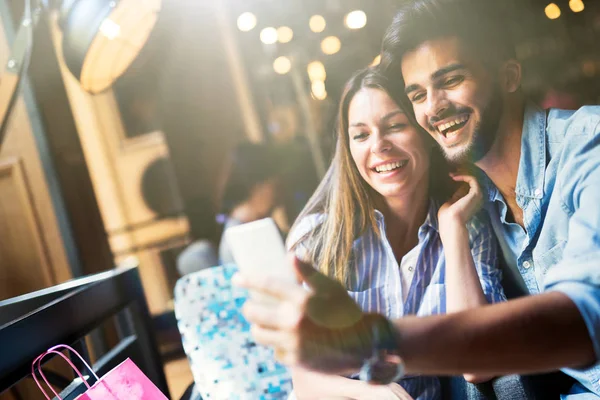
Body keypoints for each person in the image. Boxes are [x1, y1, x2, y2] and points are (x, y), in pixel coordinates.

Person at [234, 0, 600, 399]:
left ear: (508, 75)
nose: (435, 106)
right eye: (418, 94)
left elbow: (583, 319)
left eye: (452, 79)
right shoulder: (484, 202)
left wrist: (373, 342)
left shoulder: (587, 148)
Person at [273, 67, 506, 399]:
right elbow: (305, 379)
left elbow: (478, 363)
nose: (379, 146)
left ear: (426, 131)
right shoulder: (318, 238)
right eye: (361, 135)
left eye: (395, 126)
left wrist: (452, 231)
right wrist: (374, 393)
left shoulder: (468, 224)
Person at [217, 141, 283, 264]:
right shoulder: (243, 238)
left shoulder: (251, 227)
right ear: (258, 186)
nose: (278, 193)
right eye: (274, 185)